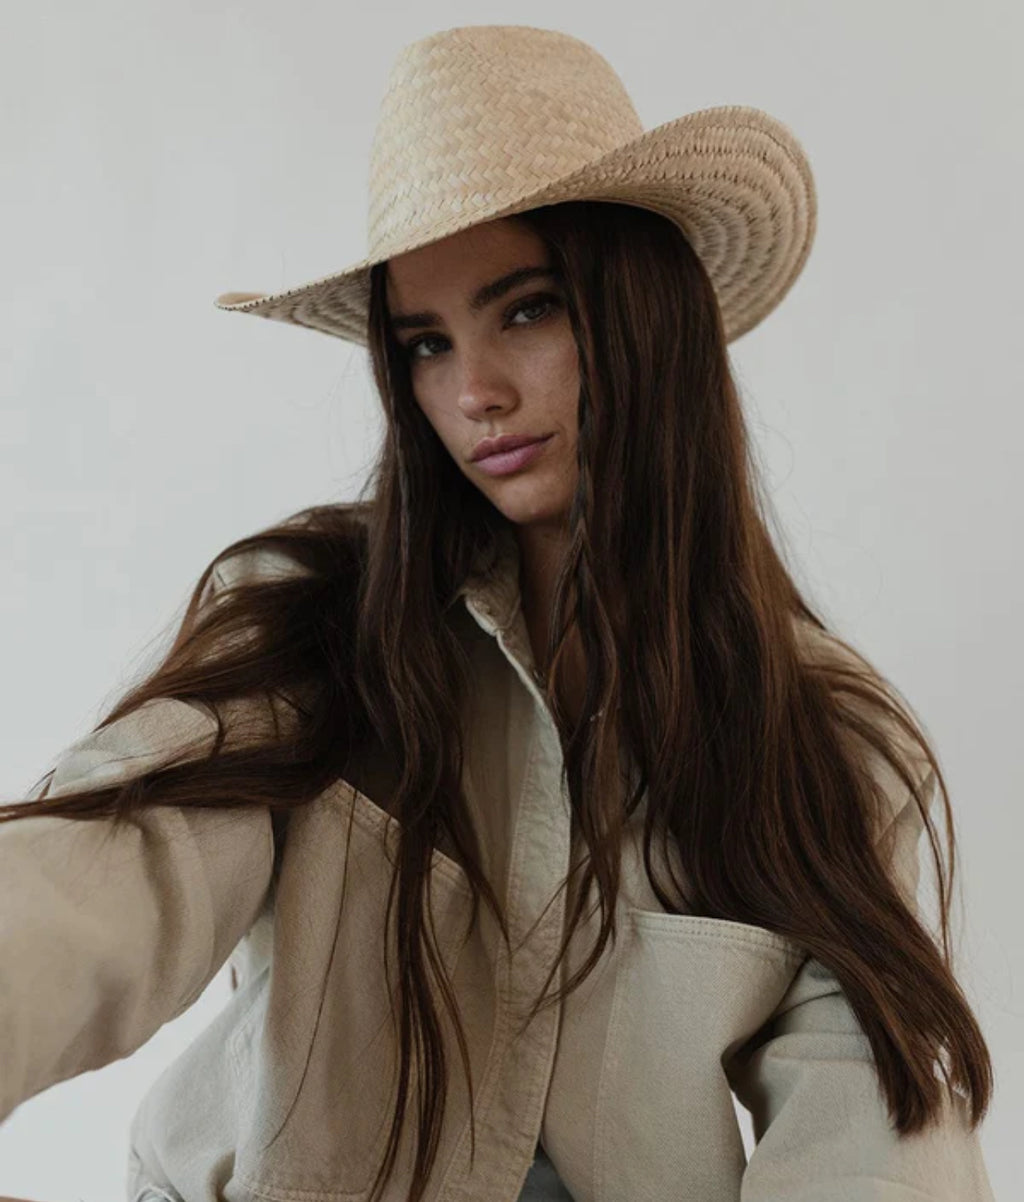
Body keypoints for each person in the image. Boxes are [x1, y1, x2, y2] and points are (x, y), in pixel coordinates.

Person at [0, 22, 997, 1202]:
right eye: (426, 342)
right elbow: (105, 873)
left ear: (639, 310)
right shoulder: (310, 626)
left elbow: (880, 1123)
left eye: (523, 309)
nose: (471, 390)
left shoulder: (818, 733)